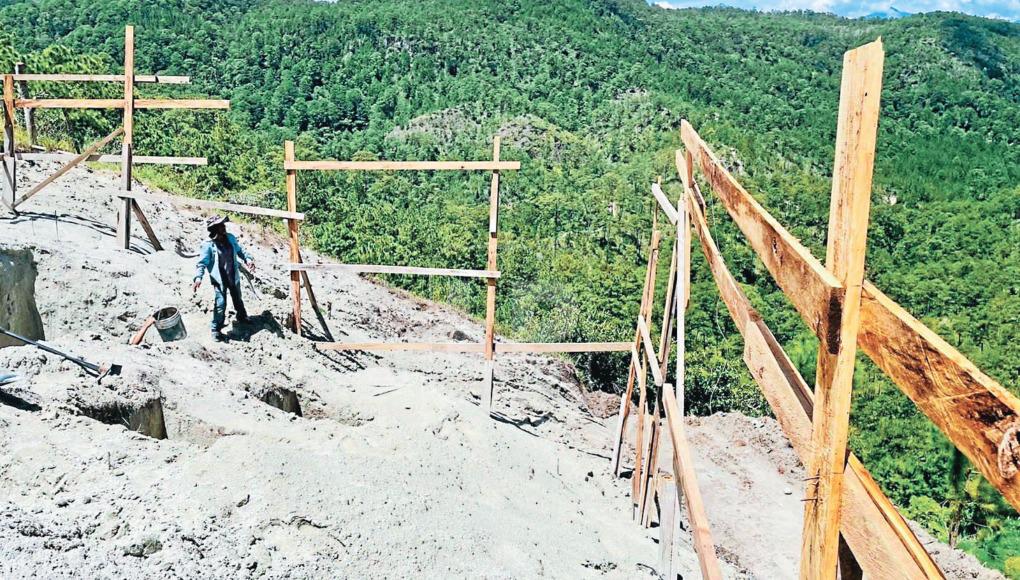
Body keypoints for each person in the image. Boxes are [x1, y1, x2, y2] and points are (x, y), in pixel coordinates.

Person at [193, 215, 255, 342]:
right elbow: (202, 263)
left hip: (232, 276)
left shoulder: (230, 238)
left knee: (238, 299)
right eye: (221, 225)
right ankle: (216, 329)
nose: (224, 227)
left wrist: (248, 259)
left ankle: (242, 317)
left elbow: (240, 251)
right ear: (215, 229)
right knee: (220, 304)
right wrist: (198, 277)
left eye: (223, 224)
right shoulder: (208, 245)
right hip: (219, 280)